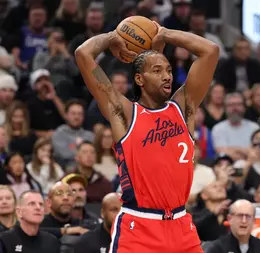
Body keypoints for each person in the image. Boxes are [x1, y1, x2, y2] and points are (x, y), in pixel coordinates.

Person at [74, 20, 219, 253]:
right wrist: (112, 37)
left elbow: (210, 51)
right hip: (139, 226)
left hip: (181, 225)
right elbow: (83, 53)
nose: (167, 76)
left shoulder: (184, 107)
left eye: (169, 70)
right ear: (139, 79)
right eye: (157, 70)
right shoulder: (124, 113)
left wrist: (165, 34)